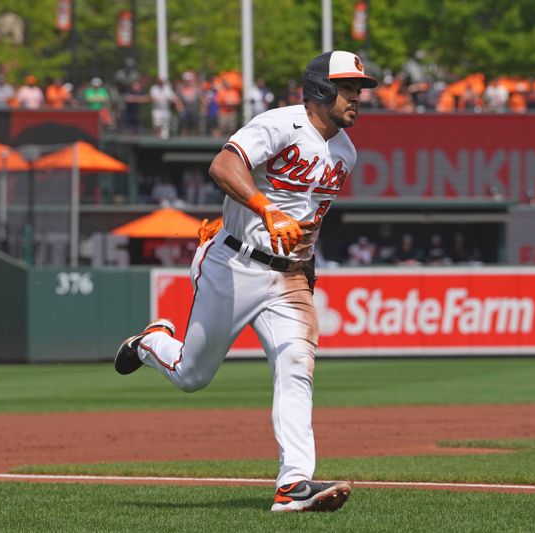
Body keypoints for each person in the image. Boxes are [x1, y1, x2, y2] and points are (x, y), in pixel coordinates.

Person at [113, 50, 377, 513]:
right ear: (320, 88)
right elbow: (223, 166)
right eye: (348, 87)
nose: (357, 96)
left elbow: (309, 218)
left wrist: (305, 267)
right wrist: (262, 209)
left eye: (359, 88)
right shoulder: (280, 124)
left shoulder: (346, 153)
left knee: (297, 365)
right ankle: (151, 342)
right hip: (233, 265)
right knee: (192, 374)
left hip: (289, 276)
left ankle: (294, 484)